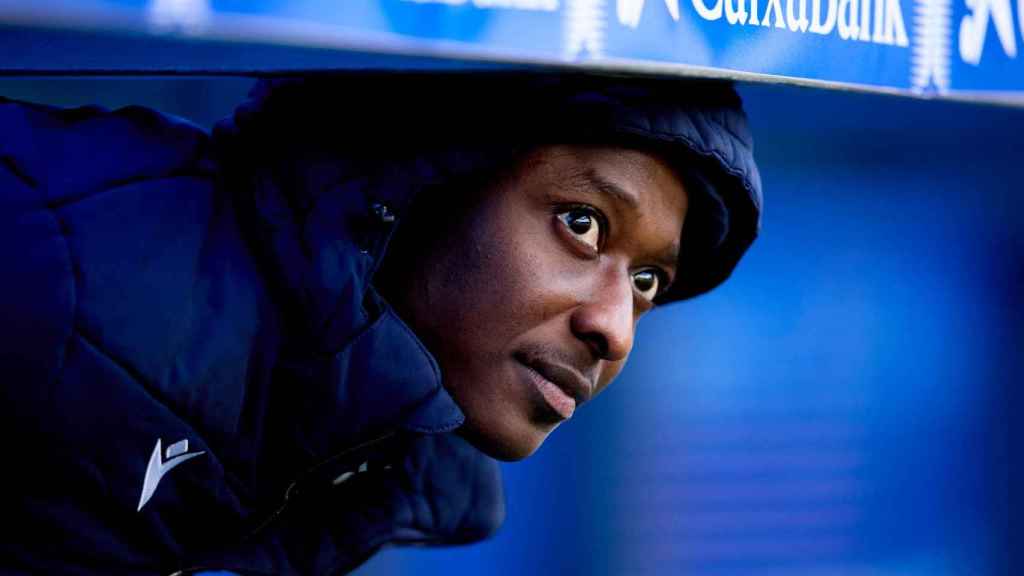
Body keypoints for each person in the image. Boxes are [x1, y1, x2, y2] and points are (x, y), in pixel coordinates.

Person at [0, 72, 761, 575]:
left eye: (646, 281)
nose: (616, 330)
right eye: (583, 224)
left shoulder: (365, 460)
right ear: (421, 173)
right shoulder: (58, 264)